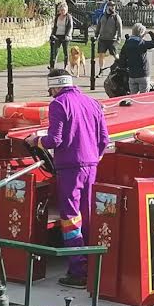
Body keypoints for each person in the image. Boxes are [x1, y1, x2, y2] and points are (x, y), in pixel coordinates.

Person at [27, 70, 110, 287]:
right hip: (91, 164)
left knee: (71, 217)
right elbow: (104, 139)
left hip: (70, 167)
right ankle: (93, 266)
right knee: (89, 214)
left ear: (54, 87)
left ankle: (78, 270)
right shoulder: (92, 102)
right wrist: (93, 157)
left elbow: (54, 140)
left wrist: (36, 140)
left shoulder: (58, 104)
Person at [120, 24, 154, 94]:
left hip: (132, 75)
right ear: (142, 33)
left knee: (133, 97)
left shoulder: (127, 43)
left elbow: (122, 58)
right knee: (143, 97)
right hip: (143, 74)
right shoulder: (142, 43)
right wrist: (150, 33)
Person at [96, 2, 123, 73]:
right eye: (111, 7)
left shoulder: (116, 17)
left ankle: (120, 68)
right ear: (107, 7)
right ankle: (101, 70)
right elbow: (99, 25)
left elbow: (120, 29)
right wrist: (96, 35)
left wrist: (118, 40)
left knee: (115, 55)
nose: (113, 8)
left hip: (112, 40)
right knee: (101, 55)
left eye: (114, 7)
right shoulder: (102, 15)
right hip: (102, 39)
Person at [49, 2, 75, 69]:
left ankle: (66, 66)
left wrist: (68, 35)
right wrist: (52, 35)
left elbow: (70, 27)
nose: (63, 11)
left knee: (65, 51)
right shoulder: (57, 17)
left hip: (65, 36)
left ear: (66, 10)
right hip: (57, 35)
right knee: (55, 51)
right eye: (61, 10)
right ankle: (52, 65)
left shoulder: (68, 17)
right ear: (59, 10)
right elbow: (55, 27)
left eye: (64, 10)